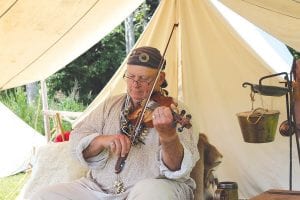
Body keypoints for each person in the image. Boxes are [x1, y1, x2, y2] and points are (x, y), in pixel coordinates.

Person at [32, 46, 199, 200]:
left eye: (144, 79)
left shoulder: (174, 111)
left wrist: (168, 136)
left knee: (152, 192)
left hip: (150, 189)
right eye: (131, 77)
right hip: (98, 190)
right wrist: (100, 140)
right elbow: (77, 139)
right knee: (42, 196)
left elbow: (177, 167)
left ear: (160, 78)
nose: (135, 85)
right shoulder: (110, 105)